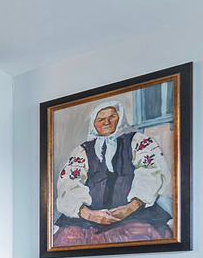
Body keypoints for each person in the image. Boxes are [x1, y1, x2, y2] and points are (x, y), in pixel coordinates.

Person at [53, 100, 173, 247]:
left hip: (135, 214)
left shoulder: (139, 141)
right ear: (94, 123)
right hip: (89, 218)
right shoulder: (82, 151)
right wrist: (89, 214)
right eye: (101, 119)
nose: (106, 122)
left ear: (120, 118)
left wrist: (129, 208)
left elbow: (152, 174)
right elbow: (69, 184)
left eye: (112, 117)